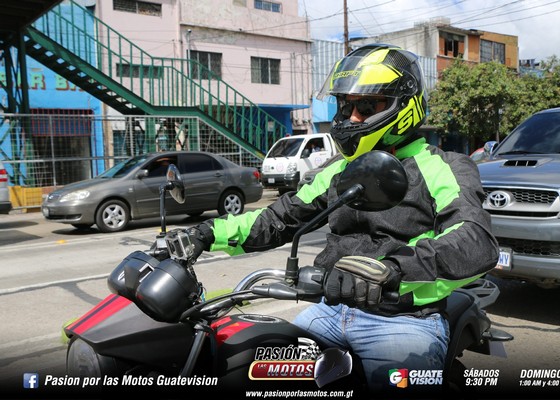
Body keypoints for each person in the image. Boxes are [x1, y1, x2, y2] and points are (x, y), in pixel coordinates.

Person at [183, 44, 499, 395]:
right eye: (346, 106)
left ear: (403, 105)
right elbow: (281, 217)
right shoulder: (340, 169)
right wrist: (205, 233)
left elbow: (474, 240)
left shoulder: (442, 166)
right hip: (330, 310)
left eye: (366, 107)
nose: (352, 118)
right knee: (253, 370)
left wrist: (392, 270)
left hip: (403, 320)